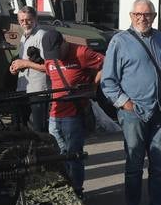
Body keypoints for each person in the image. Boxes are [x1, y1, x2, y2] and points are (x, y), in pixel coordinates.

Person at [101, 0, 161, 205]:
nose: (143, 18)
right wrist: (126, 104)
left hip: (160, 112)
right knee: (134, 166)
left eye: (148, 15)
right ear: (131, 16)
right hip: (134, 113)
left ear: (154, 17)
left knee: (160, 167)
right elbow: (108, 81)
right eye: (138, 15)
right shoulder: (119, 42)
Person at [22, 29, 104, 193]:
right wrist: (25, 64)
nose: (56, 57)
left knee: (74, 156)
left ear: (64, 42)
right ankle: (66, 186)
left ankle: (77, 190)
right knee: (60, 156)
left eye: (58, 51)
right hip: (54, 114)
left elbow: (106, 63)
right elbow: (47, 67)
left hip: (73, 115)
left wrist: (93, 86)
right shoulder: (51, 57)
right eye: (52, 54)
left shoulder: (81, 52)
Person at [10, 6, 50, 133]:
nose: (25, 23)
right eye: (21, 20)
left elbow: (48, 67)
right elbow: (24, 63)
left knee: (39, 129)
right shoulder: (23, 37)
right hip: (23, 88)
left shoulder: (42, 36)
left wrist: (25, 63)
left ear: (35, 19)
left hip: (38, 90)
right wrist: (15, 67)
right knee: (22, 128)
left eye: (28, 20)